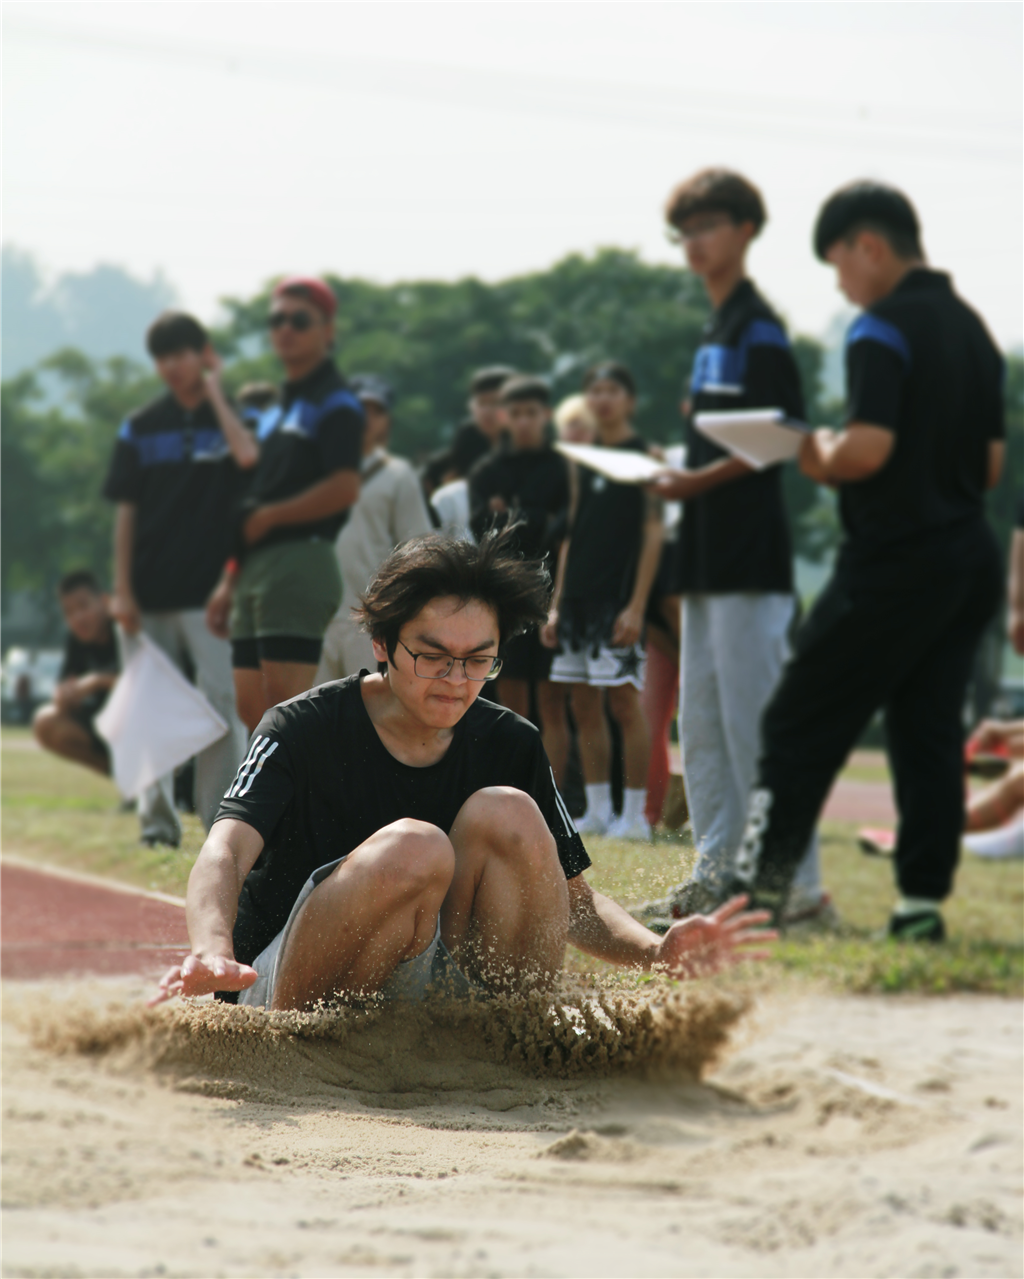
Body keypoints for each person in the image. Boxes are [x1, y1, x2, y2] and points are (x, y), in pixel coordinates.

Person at [151, 530, 774, 1011]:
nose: (456, 680)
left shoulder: (511, 744)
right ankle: (308, 1047)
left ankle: (505, 1037)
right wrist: (212, 949)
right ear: (381, 644)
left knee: (509, 812)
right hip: (285, 987)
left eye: (479, 660)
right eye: (432, 656)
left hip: (425, 996)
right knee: (416, 847)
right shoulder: (299, 727)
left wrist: (657, 952)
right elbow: (225, 851)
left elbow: (574, 902)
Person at [723, 181, 1006, 941]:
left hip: (894, 560)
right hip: (966, 558)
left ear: (869, 246)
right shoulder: (975, 330)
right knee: (928, 732)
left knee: (795, 719)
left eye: (839, 265)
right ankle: (919, 907)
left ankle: (755, 902)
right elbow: (988, 466)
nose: (841, 285)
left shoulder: (879, 327)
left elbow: (866, 449)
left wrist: (812, 450)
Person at [636, 169, 829, 926]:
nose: (695, 242)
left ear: (746, 229)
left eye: (709, 225)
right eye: (685, 230)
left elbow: (785, 436)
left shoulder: (758, 327)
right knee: (705, 725)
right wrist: (681, 468)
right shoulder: (715, 330)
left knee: (759, 728)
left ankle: (799, 888)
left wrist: (694, 480)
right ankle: (716, 874)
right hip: (705, 556)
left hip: (750, 556)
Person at [104, 311, 254, 847]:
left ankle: (221, 825)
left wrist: (215, 391)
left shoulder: (233, 419)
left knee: (222, 707)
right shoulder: (141, 426)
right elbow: (125, 511)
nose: (171, 366)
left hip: (212, 593)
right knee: (149, 712)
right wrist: (122, 590)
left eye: (181, 354)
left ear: (203, 355)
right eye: (162, 357)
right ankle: (157, 826)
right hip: (146, 590)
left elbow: (249, 459)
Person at [205, 278, 364, 734]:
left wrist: (273, 516)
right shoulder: (279, 409)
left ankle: (315, 784)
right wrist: (227, 582)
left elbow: (344, 487)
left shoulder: (337, 402)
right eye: (277, 320)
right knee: (251, 709)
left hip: (300, 558)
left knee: (285, 715)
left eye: (299, 320)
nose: (285, 329)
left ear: (327, 330)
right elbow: (254, 486)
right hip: (254, 566)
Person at [543, 363, 663, 842]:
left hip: (618, 600)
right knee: (582, 705)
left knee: (624, 703)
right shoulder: (583, 460)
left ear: (630, 400)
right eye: (595, 390)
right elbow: (571, 535)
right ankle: (595, 810)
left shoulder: (645, 456)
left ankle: (635, 817)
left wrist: (637, 606)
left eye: (613, 390)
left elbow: (653, 533)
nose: (603, 398)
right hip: (576, 603)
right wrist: (556, 605)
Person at [469, 375, 572, 781]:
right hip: (505, 599)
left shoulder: (563, 468)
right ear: (504, 417)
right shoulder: (487, 470)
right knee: (509, 706)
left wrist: (511, 514)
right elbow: (482, 531)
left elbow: (561, 531)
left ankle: (552, 794)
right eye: (516, 413)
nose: (524, 421)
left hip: (552, 598)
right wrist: (533, 516)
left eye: (532, 413)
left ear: (546, 414)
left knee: (552, 705)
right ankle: (511, 791)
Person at [317, 375, 433, 682]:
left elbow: (419, 549)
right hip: (313, 616)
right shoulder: (310, 469)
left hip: (371, 618)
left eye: (376, 411)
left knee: (370, 703)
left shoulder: (398, 475)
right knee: (312, 707)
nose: (367, 418)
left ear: (386, 421)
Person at [33, 570, 119, 776]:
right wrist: (65, 696)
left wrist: (96, 681)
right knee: (45, 722)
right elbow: (64, 687)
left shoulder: (124, 630)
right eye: (69, 612)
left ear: (105, 601)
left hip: (137, 721)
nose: (77, 617)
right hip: (101, 723)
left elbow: (146, 686)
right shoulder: (76, 640)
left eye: (83, 606)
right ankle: (119, 775)